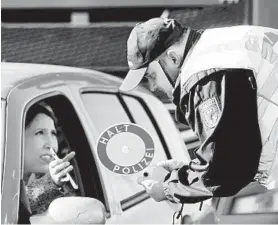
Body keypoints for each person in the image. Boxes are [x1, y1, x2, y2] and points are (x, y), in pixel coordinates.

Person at [120, 17, 278, 205]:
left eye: (151, 76)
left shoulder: (205, 73)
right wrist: (192, 170)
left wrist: (169, 189)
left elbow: (228, 166)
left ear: (173, 57)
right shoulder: (226, 44)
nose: (153, 87)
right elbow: (241, 148)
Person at [19, 103, 77, 223]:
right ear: (17, 137)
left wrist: (54, 182)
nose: (50, 144)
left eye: (53, 133)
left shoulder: (61, 188)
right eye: (40, 132)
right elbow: (13, 207)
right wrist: (50, 183)